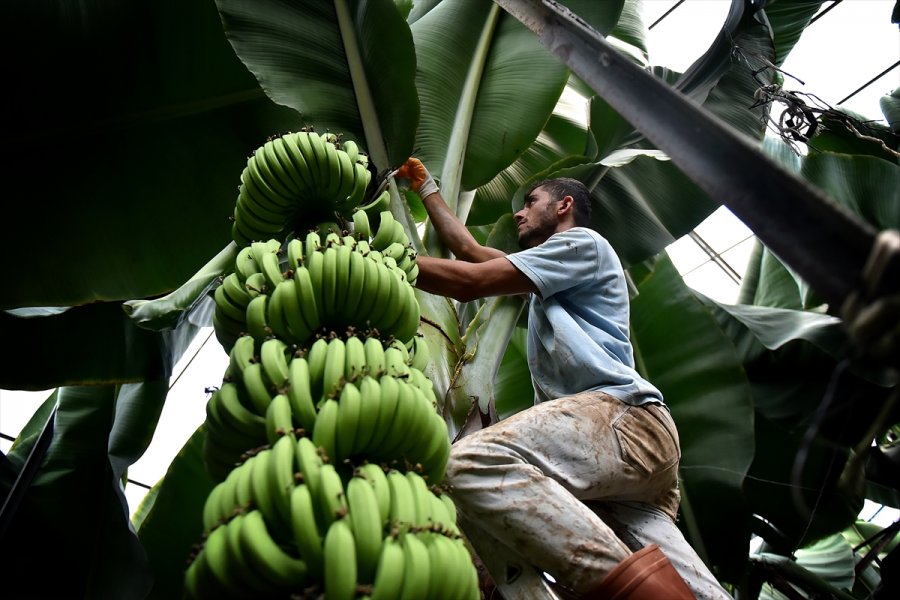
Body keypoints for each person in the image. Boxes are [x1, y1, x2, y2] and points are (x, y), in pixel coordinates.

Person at [395, 157, 733, 600]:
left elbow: (471, 281)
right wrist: (426, 188)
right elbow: (472, 254)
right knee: (689, 580)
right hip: (624, 456)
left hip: (621, 418)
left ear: (563, 206)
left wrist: (379, 254)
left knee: (467, 463)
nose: (518, 211)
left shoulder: (583, 244)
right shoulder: (550, 272)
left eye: (530, 201)